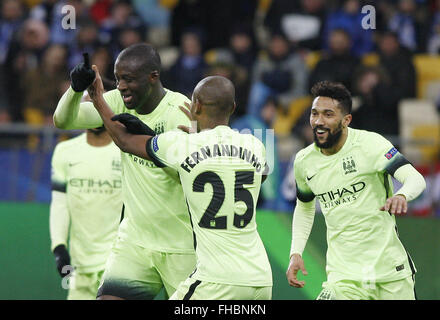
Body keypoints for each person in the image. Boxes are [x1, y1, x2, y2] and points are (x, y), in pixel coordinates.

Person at [87, 72, 273, 300]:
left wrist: (98, 99)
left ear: (195, 105)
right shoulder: (255, 144)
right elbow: (259, 177)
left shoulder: (182, 145)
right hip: (260, 278)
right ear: (233, 107)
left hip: (216, 280)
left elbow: (124, 140)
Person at [53, 44, 196, 300]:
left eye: (128, 79)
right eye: (118, 78)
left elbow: (191, 177)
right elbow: (64, 121)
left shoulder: (179, 110)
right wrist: (75, 90)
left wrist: (152, 142)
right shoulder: (118, 101)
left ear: (153, 76)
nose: (120, 86)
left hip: (180, 245)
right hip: (135, 242)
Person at [286, 81, 426, 300]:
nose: (318, 121)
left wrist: (401, 195)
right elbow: (304, 208)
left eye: (328, 114)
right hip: (344, 277)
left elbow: (415, 179)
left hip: (391, 272)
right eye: (314, 114)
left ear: (346, 120)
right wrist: (295, 252)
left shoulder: (371, 145)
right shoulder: (304, 161)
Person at [49, 125, 123, 300]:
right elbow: (60, 203)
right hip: (79, 267)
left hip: (118, 264)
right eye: (86, 99)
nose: (90, 105)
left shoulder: (127, 151)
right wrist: (59, 246)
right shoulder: (64, 151)